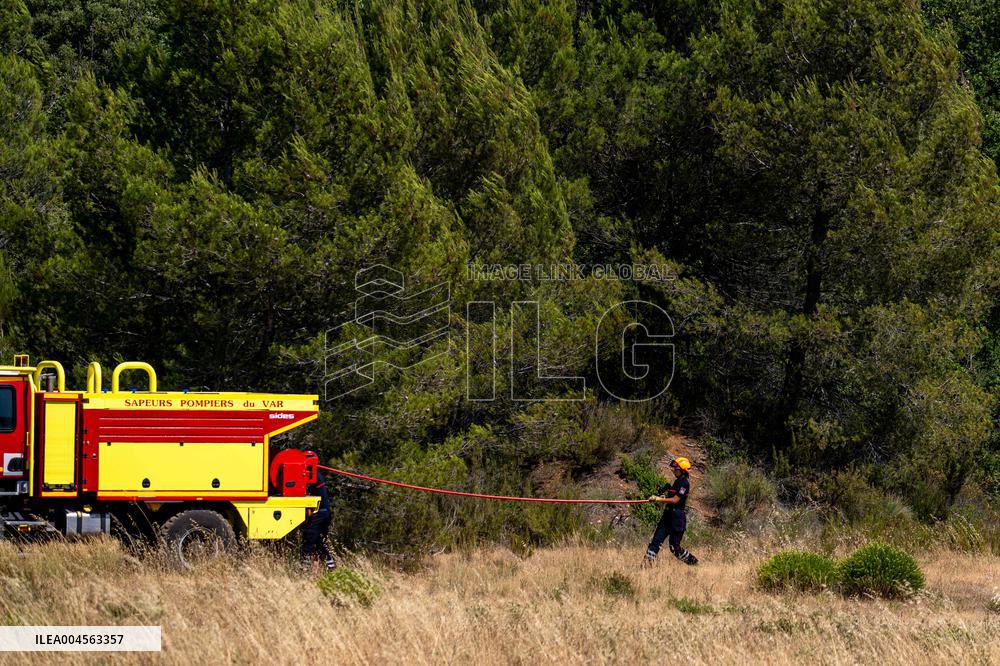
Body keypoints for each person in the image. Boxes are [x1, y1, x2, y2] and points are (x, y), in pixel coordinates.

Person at [643, 456, 698, 566]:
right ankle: (644, 568)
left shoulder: (684, 483)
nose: (673, 470)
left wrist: (659, 499)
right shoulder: (677, 481)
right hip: (667, 516)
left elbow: (675, 500)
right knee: (655, 542)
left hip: (677, 519)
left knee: (674, 548)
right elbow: (671, 496)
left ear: (682, 470)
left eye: (676, 468)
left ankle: (694, 563)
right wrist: (662, 494)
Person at [301, 470, 337, 572]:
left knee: (309, 540)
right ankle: (330, 566)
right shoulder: (317, 475)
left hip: (319, 513)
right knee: (318, 541)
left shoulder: (313, 475)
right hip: (325, 513)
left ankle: (305, 568)